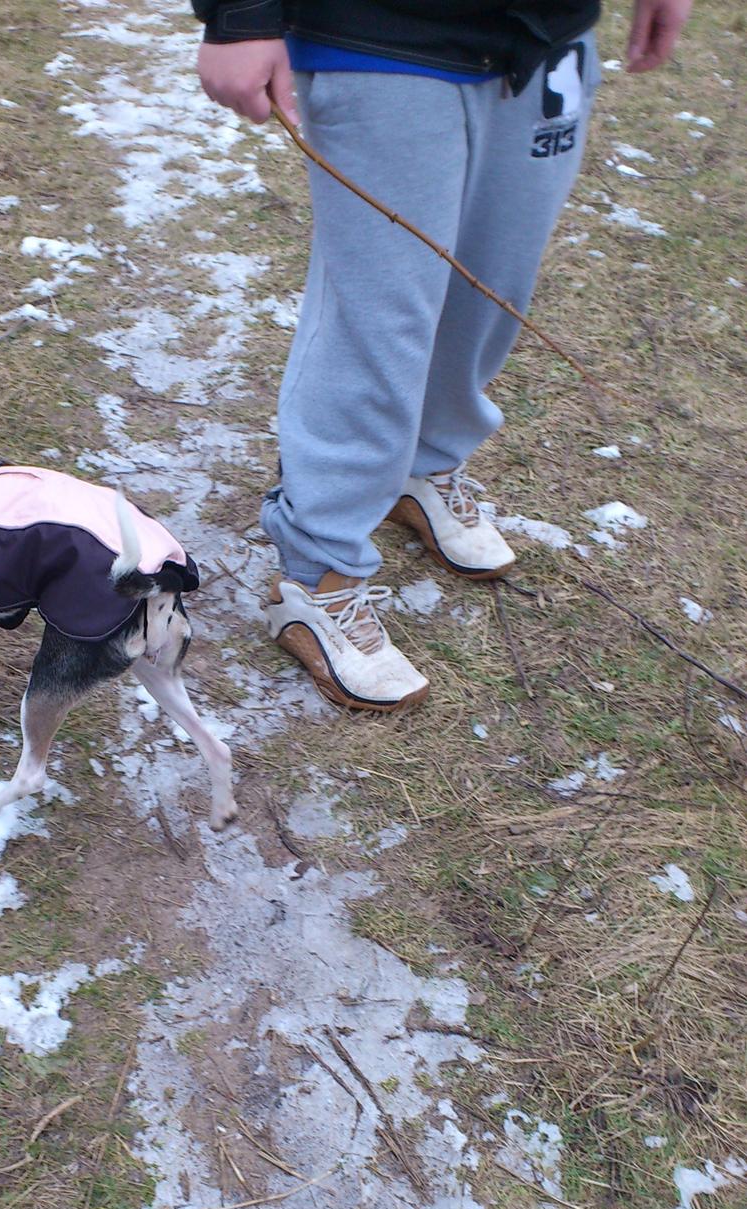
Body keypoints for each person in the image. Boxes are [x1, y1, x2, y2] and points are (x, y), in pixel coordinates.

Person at [192, 0, 693, 712]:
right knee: (379, 315)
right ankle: (317, 572)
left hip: (547, 38)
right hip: (381, 37)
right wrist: (240, 14)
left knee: (492, 286)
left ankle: (424, 466)